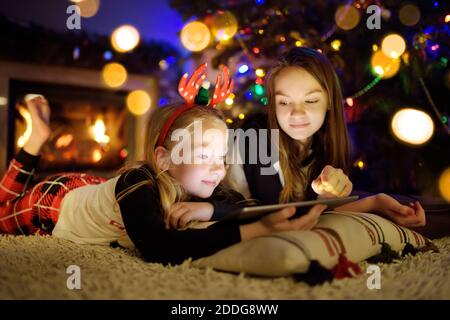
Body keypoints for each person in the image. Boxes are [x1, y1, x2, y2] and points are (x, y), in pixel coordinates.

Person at [0, 64, 330, 265]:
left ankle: (34, 142)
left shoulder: (196, 181)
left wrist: (210, 211)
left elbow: (241, 203)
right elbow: (159, 248)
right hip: (54, 203)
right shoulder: (139, 182)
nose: (217, 168)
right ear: (164, 159)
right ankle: (34, 141)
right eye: (203, 155)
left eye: (221, 157)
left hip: (93, 188)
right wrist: (256, 230)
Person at [225, 47, 426, 228]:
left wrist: (375, 202)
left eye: (311, 100)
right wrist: (370, 204)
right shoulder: (252, 140)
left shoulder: (323, 144)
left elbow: (316, 216)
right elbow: (279, 220)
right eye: (284, 103)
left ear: (329, 100)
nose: (297, 113)